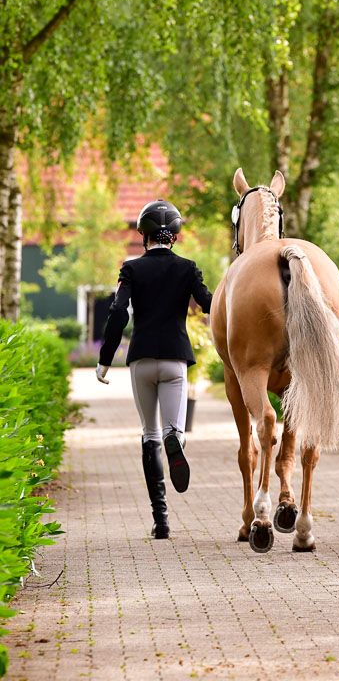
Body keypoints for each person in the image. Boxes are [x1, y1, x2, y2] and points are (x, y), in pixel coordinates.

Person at [95, 199, 212, 540]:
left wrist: (105, 359)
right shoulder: (189, 268)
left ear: (143, 235)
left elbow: (118, 312)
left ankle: (160, 520)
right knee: (172, 431)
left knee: (149, 437)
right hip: (176, 358)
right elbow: (208, 303)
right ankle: (175, 438)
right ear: (174, 236)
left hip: (142, 359)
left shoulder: (131, 269)